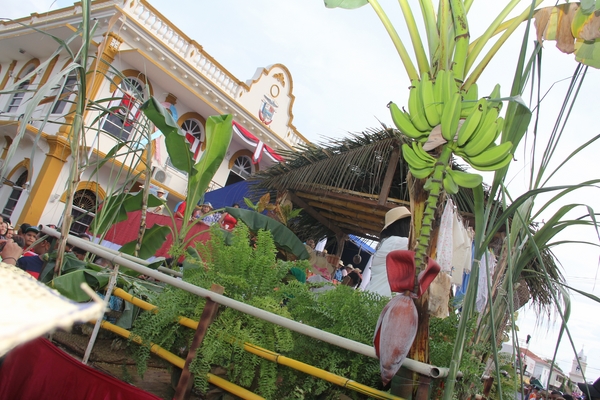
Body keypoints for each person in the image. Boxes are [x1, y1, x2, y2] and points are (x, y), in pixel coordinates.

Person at [364, 206, 411, 297]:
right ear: (403, 225)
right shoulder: (395, 242)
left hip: (375, 295)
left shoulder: (387, 242)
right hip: (380, 299)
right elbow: (421, 247)